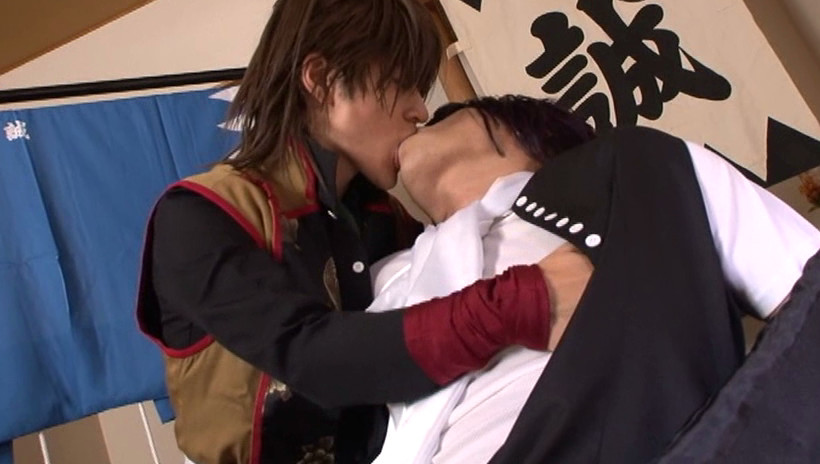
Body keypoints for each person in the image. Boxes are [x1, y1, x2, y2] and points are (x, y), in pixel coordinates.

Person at [134, 2, 570, 464]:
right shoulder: (200, 213)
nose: (420, 110)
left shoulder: (387, 219)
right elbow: (309, 356)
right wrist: (522, 302)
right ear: (321, 80)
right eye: (402, 84)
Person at [369, 95, 820, 463]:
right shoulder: (380, 280)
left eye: (440, 116)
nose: (419, 115)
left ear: (520, 132)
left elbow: (805, 296)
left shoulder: (636, 170)